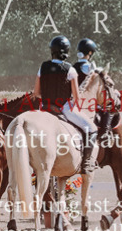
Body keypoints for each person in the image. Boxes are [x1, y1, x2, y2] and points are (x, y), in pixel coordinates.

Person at [35, 35, 98, 174]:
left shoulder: (43, 67)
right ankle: (86, 163)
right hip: (63, 108)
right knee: (92, 129)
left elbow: (36, 93)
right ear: (66, 51)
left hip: (44, 108)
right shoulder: (70, 69)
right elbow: (76, 97)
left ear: (52, 50)